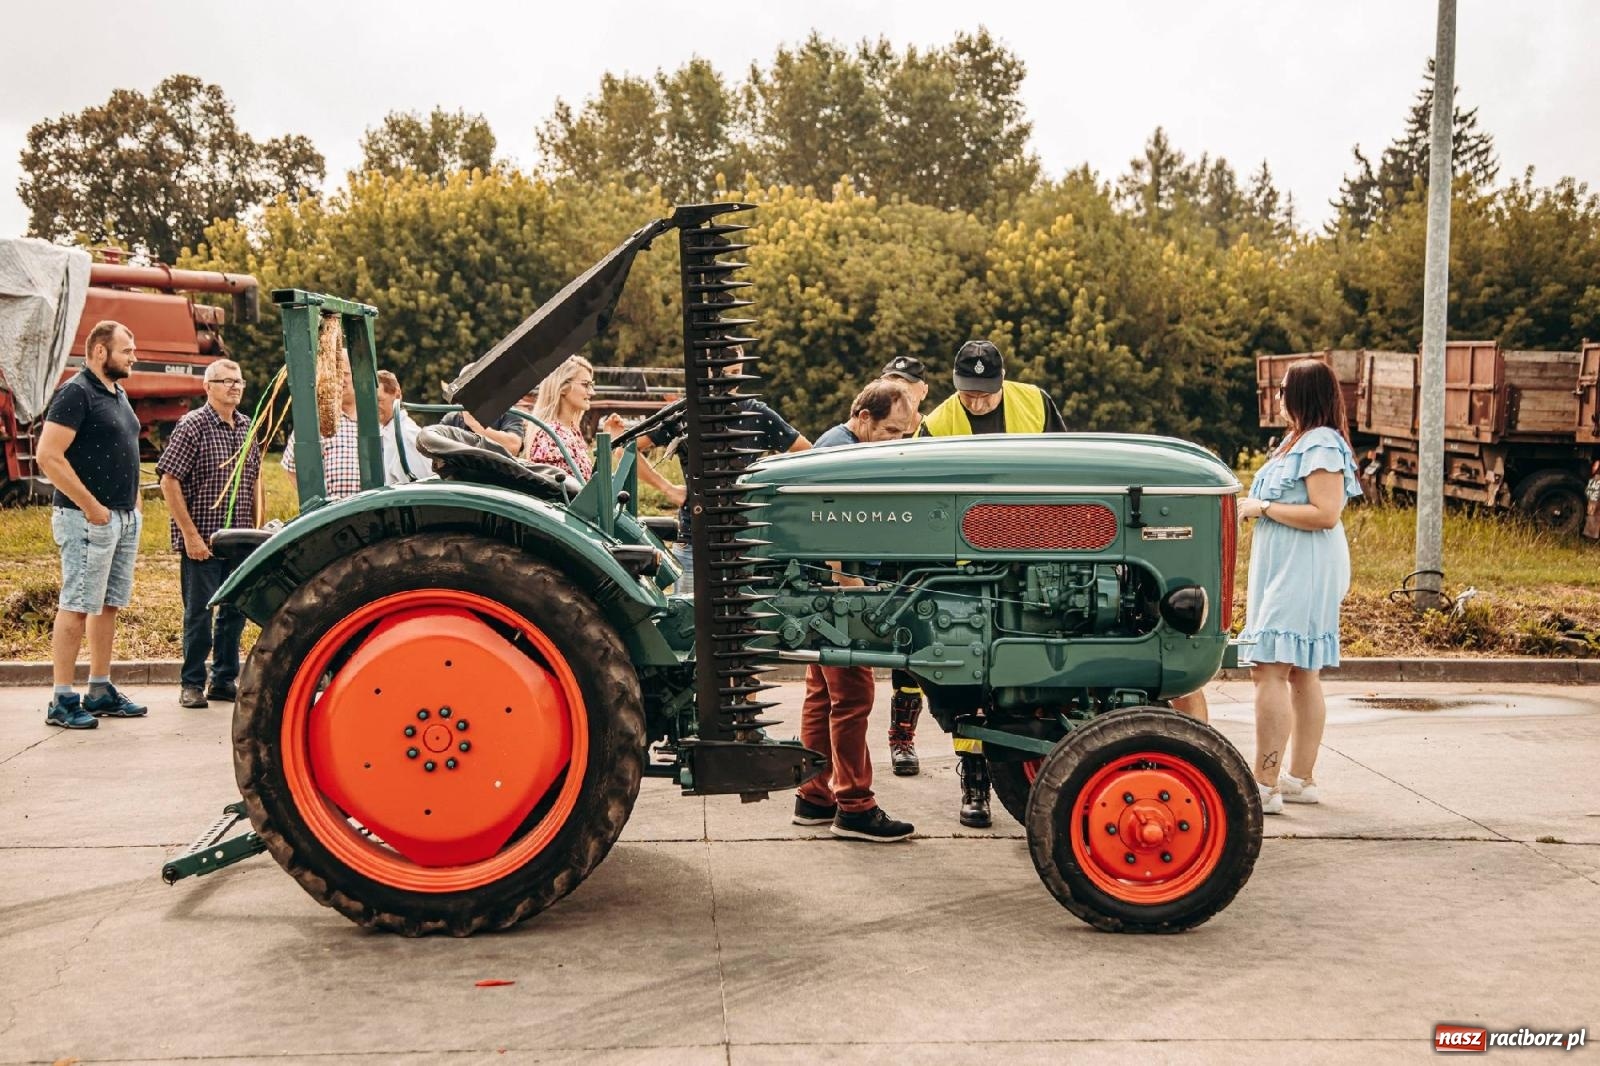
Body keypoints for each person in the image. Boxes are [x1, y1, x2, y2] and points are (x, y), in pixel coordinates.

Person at [919, 340, 1067, 826]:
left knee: (1028, 675)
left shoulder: (1035, 401)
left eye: (985, 393)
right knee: (966, 684)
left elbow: (1068, 470)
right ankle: (974, 780)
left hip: (1032, 559)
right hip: (967, 566)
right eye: (968, 394)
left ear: (1002, 380)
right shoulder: (936, 423)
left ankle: (1044, 770)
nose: (977, 401)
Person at [794, 379, 919, 842]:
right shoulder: (842, 454)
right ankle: (855, 804)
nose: (898, 443)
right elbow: (824, 524)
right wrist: (849, 583)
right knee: (853, 697)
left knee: (821, 695)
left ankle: (813, 795)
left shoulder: (839, 444)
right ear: (863, 417)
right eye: (892, 431)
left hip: (821, 593)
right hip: (837, 595)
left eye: (906, 435)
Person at [1236, 359, 1363, 814]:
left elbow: (1326, 513)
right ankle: (1299, 780)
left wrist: (1262, 508)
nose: (1278, 396)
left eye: (1285, 389)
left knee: (1269, 668)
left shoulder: (1322, 443)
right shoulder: (1299, 441)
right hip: (1289, 564)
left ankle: (1265, 783)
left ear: (1304, 394)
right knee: (1300, 670)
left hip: (1304, 566)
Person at [33, 320, 149, 728]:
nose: (134, 355)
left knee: (107, 605)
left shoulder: (116, 392)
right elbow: (47, 456)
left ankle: (99, 689)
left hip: (121, 517)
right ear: (100, 352)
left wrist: (131, 507)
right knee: (77, 605)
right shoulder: (76, 392)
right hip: (86, 518)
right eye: (127, 349)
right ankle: (61, 700)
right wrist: (92, 507)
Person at [632, 347, 811, 593]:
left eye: (736, 372)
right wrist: (668, 489)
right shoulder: (683, 414)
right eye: (722, 373)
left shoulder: (757, 414)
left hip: (747, 540)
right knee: (687, 619)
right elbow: (627, 449)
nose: (730, 381)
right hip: (694, 541)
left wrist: (774, 491)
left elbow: (805, 452)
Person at [156, 359, 263, 708]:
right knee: (200, 614)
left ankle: (222, 680)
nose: (235, 386)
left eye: (239, 381)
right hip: (203, 538)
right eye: (226, 381)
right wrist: (189, 535)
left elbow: (256, 480)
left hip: (241, 541)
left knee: (234, 612)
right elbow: (169, 481)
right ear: (208, 387)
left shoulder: (247, 427)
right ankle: (191, 683)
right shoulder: (192, 426)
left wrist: (258, 529)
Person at [877, 355, 932, 776]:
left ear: (922, 390)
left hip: (928, 553)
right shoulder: (880, 424)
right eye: (892, 381)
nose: (900, 388)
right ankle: (902, 741)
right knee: (903, 652)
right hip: (889, 558)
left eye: (906, 383)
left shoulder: (932, 431)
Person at [523, 355, 618, 481]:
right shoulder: (551, 437)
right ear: (562, 387)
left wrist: (607, 440)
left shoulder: (570, 431)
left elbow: (589, 483)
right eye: (585, 385)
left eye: (591, 385)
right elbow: (560, 494)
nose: (592, 392)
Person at [281, 351, 362, 500]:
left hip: (371, 511)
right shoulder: (317, 421)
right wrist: (318, 502)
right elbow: (292, 468)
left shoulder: (373, 419)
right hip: (331, 516)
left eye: (345, 373)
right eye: (334, 373)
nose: (339, 379)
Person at [376, 370, 433, 484]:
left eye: (379, 400)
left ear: (397, 395)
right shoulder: (387, 433)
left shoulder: (405, 436)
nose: (373, 407)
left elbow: (419, 490)